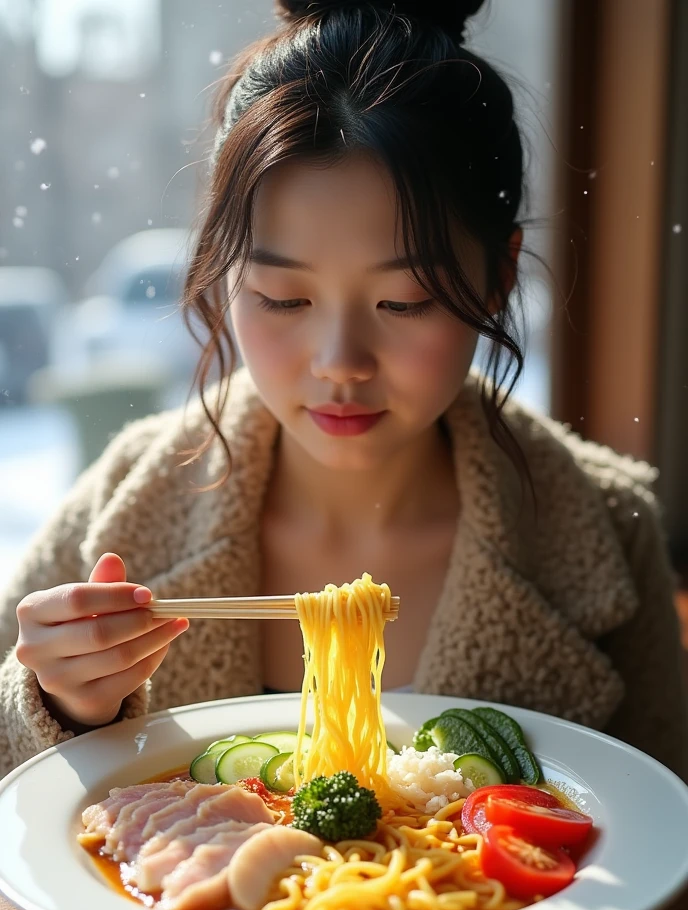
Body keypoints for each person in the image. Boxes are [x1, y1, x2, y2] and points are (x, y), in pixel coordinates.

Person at [1, 0, 686, 781]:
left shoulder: (602, 532)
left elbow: (664, 834)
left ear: (498, 277)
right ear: (226, 275)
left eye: (404, 302)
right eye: (283, 299)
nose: (340, 361)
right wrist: (60, 704)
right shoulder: (128, 501)